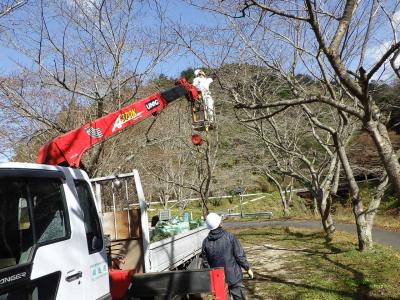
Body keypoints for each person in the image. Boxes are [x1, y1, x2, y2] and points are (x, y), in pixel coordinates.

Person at [202, 212, 253, 300]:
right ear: (220, 223)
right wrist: (247, 268)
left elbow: (206, 264)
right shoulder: (230, 237)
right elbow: (239, 256)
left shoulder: (206, 242)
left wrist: (212, 280)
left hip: (219, 280)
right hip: (234, 277)